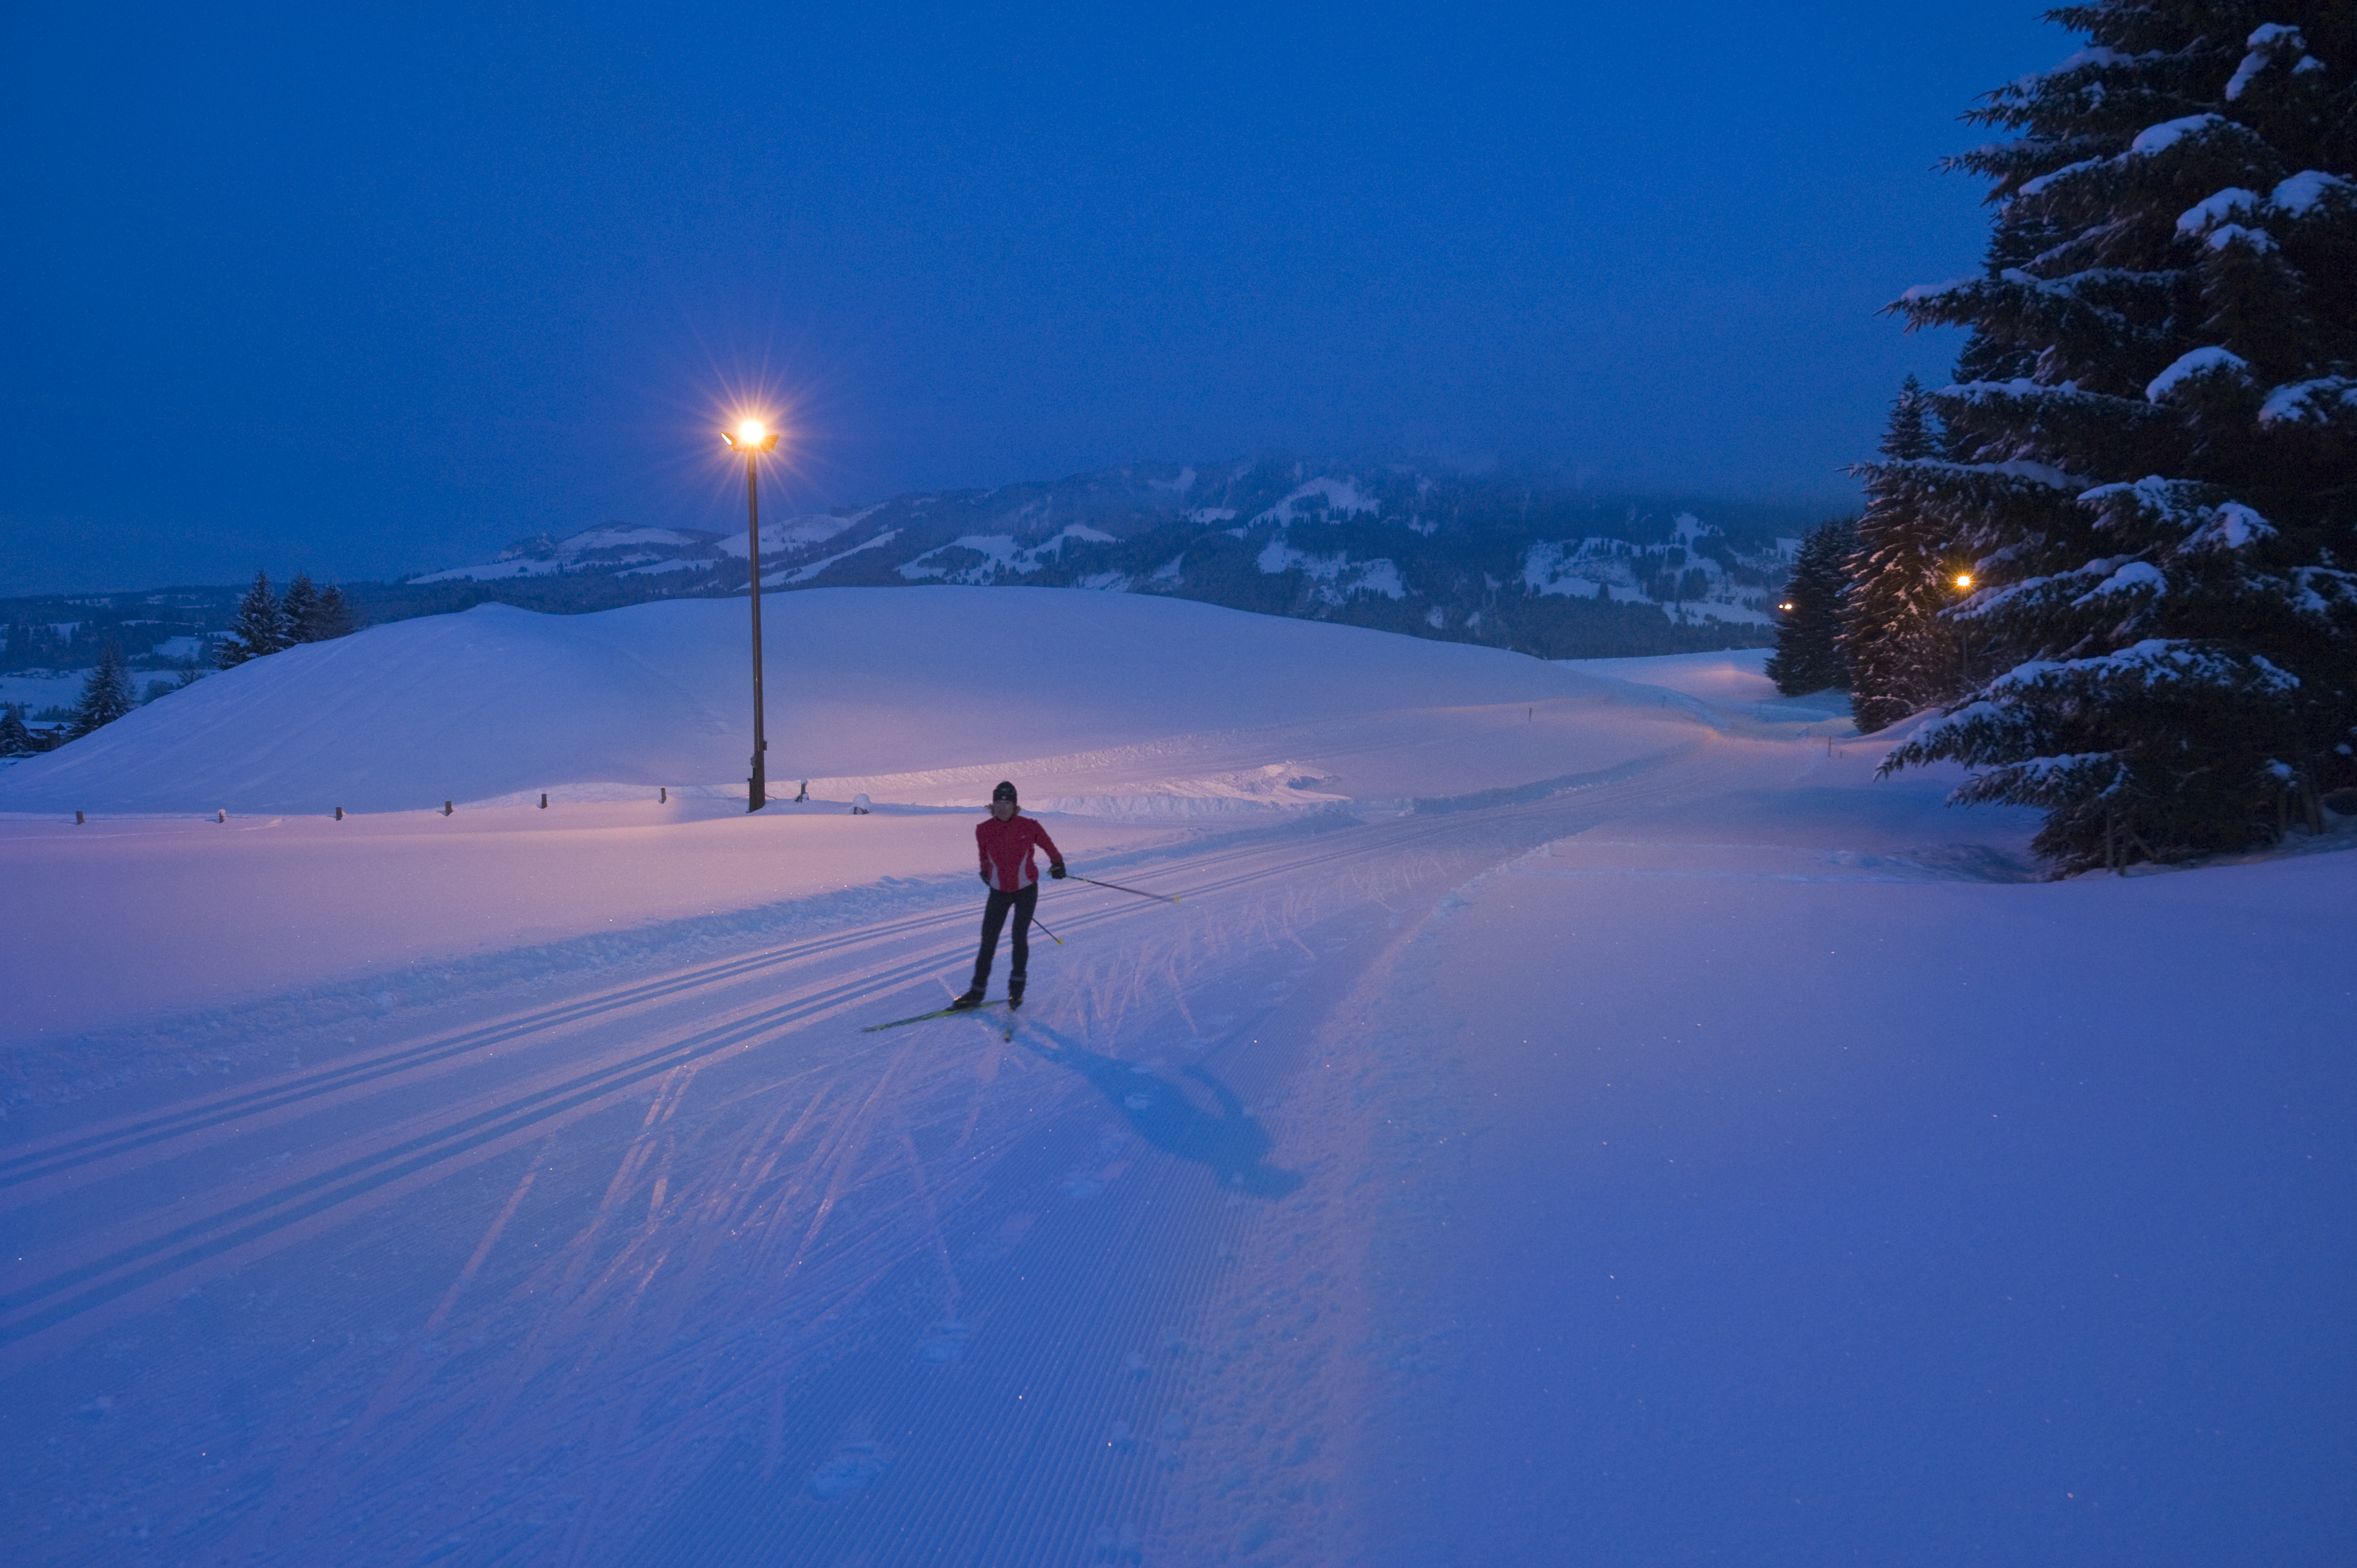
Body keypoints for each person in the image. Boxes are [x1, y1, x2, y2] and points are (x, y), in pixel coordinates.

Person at [954, 781, 1064, 1009]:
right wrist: (986, 872)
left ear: (1015, 805)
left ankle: (1016, 991)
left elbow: (1048, 846)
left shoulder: (1029, 826)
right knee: (988, 941)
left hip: (1026, 890)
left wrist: (1058, 864)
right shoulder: (983, 829)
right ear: (992, 805)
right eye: (998, 803)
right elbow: (984, 855)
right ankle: (976, 992)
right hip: (999, 892)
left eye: (1007, 803)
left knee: (1018, 936)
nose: (1003, 807)